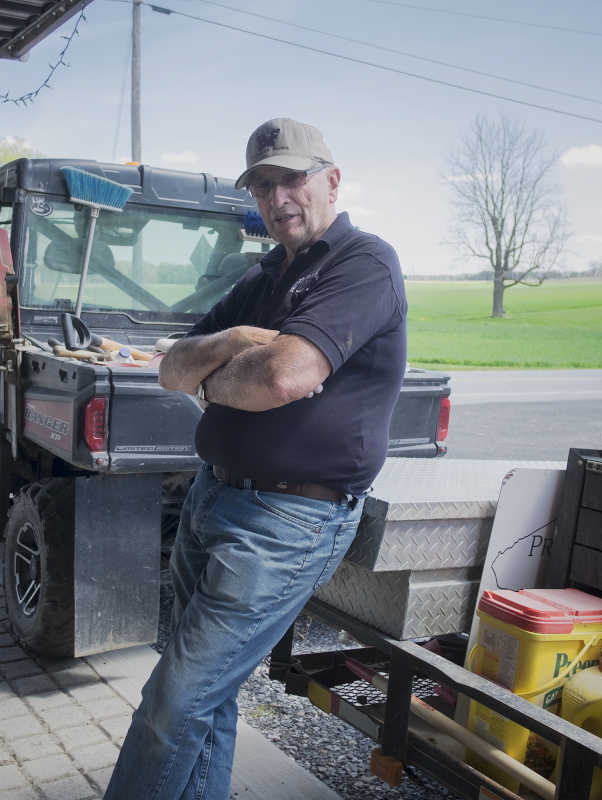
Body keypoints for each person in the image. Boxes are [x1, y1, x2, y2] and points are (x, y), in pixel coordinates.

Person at [104, 117, 408, 800]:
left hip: (289, 521)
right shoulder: (269, 273)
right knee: (204, 698)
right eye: (263, 185)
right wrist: (237, 337)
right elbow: (169, 366)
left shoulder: (363, 264)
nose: (278, 198)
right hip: (214, 497)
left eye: (292, 178)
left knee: (174, 702)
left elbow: (284, 376)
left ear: (332, 181)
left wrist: (214, 381)